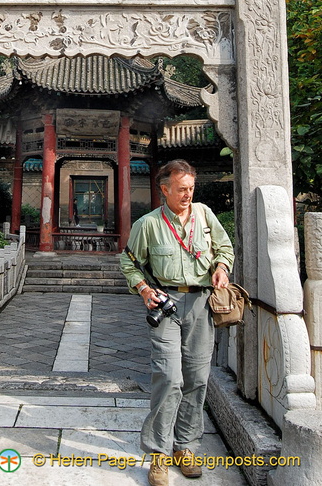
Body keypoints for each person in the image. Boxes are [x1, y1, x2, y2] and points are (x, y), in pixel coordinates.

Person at [119, 159, 234, 486]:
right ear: (165, 189)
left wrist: (222, 268)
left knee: (197, 378)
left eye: (191, 188)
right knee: (169, 377)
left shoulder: (205, 216)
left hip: (200, 303)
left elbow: (224, 248)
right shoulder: (148, 225)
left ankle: (186, 446)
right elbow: (128, 263)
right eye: (181, 189)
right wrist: (142, 288)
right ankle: (158, 454)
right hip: (166, 304)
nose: (188, 194)